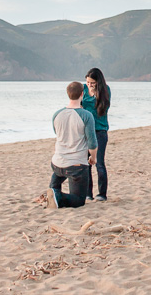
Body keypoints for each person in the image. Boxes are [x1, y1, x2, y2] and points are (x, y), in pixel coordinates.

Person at [47, 81, 97, 209]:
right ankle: (57, 195)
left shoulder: (56, 115)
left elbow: (57, 134)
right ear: (82, 94)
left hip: (57, 163)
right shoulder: (86, 115)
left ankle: (53, 191)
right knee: (79, 201)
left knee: (59, 173)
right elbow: (92, 143)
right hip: (76, 166)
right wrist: (93, 158)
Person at [81, 67, 111, 201]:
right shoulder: (83, 89)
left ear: (98, 82)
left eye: (92, 83)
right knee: (86, 163)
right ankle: (88, 193)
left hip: (100, 130)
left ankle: (102, 194)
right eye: (88, 82)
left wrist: (95, 94)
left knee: (99, 163)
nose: (89, 85)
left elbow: (103, 109)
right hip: (85, 130)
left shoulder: (105, 90)